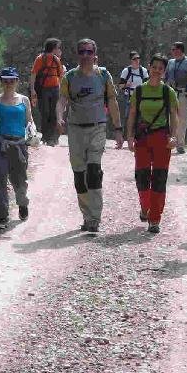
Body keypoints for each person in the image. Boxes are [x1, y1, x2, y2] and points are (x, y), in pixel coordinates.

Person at [56, 38, 123, 232]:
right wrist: (59, 117)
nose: (85, 56)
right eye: (81, 52)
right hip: (75, 129)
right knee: (79, 175)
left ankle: (94, 217)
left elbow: (112, 101)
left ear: (95, 55)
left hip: (97, 127)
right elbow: (62, 100)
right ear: (78, 55)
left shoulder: (103, 75)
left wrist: (118, 130)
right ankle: (86, 215)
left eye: (88, 52)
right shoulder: (70, 77)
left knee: (94, 171)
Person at [126, 53, 178, 233]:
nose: (157, 71)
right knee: (142, 177)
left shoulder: (168, 92)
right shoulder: (139, 91)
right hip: (142, 138)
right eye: (154, 67)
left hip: (162, 139)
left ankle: (155, 219)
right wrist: (129, 137)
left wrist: (174, 137)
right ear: (149, 67)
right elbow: (132, 114)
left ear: (164, 71)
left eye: (160, 69)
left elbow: (174, 115)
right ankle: (145, 207)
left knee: (159, 178)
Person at [0, 67, 35, 229]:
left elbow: (29, 120)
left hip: (19, 145)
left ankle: (22, 203)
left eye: (12, 80)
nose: (9, 83)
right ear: (1, 82)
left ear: (17, 81)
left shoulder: (24, 100)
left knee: (19, 180)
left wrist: (32, 135)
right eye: (5, 80)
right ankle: (2, 216)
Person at [165, 41, 187, 154]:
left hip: (184, 94)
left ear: (180, 50)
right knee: (171, 119)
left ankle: (180, 144)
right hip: (171, 93)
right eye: (172, 49)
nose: (172, 51)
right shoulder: (170, 62)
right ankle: (171, 142)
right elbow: (165, 77)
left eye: (174, 49)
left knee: (182, 120)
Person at [30, 38, 65, 146]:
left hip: (54, 89)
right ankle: (46, 137)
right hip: (43, 90)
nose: (58, 50)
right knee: (45, 113)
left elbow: (60, 76)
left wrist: (62, 91)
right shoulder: (40, 59)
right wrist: (32, 89)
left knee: (53, 113)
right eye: (57, 47)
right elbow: (34, 74)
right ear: (53, 48)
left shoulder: (56, 60)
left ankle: (52, 138)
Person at [118, 51, 149, 133]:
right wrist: (126, 85)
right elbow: (120, 86)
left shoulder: (143, 71)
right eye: (134, 59)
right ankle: (125, 137)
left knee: (141, 118)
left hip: (141, 98)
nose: (137, 60)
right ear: (131, 60)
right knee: (128, 117)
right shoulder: (126, 71)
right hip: (129, 97)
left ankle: (138, 138)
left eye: (138, 58)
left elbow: (147, 85)